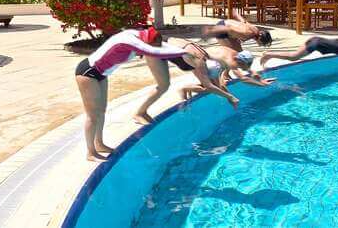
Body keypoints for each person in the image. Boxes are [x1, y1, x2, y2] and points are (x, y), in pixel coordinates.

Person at [75, 27, 186, 161]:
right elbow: (154, 51)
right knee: (92, 116)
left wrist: (186, 48)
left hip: (102, 74)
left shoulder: (140, 35)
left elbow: (160, 47)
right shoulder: (129, 40)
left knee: (101, 112)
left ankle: (99, 144)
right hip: (88, 73)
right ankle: (90, 152)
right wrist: (185, 51)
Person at [166, 37, 241, 108]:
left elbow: (220, 86)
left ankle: (186, 89)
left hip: (181, 47)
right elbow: (209, 86)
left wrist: (230, 97)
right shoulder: (199, 62)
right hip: (179, 51)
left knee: (214, 87)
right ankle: (185, 89)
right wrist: (231, 97)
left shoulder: (205, 58)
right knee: (209, 87)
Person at [179, 45, 275, 100]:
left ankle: (188, 90)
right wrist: (262, 85)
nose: (248, 68)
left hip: (205, 60)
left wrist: (259, 78)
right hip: (205, 64)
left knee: (219, 87)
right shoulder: (232, 63)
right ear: (241, 62)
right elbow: (244, 79)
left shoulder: (235, 54)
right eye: (248, 65)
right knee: (215, 89)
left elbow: (246, 67)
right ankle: (185, 89)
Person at [260, 36, 338, 75]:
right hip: (316, 44)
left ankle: (269, 55)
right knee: (293, 56)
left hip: (315, 40)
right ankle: (269, 54)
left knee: (293, 55)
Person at [202, 11, 272, 51]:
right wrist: (210, 30)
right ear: (260, 39)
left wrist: (235, 13)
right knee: (233, 53)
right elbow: (230, 29)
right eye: (263, 43)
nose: (263, 45)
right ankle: (222, 74)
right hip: (222, 31)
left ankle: (225, 74)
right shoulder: (247, 34)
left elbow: (243, 22)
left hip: (226, 27)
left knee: (240, 54)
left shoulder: (255, 30)